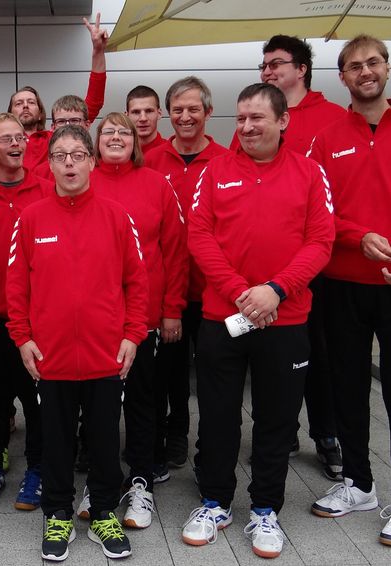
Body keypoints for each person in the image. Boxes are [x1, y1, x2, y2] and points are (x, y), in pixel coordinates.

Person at [183, 83, 333, 559]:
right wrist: (239, 292)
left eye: (257, 118)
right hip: (222, 319)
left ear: (283, 120)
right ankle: (215, 503)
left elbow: (321, 241)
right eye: (241, 118)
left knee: (277, 420)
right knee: (217, 417)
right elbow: (199, 235)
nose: (246, 127)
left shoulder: (310, 173)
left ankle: (266, 509)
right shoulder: (215, 171)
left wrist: (276, 290)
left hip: (285, 320)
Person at [308, 35, 391, 549]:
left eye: (373, 63)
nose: (365, 72)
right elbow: (319, 211)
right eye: (354, 66)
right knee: (347, 387)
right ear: (342, 77)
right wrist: (356, 236)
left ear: (387, 69)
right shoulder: (325, 140)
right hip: (343, 283)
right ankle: (358, 484)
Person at [6, 125, 149, 561]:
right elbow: (16, 286)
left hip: (107, 354)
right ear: (49, 164)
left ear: (91, 161)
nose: (69, 163)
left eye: (77, 155)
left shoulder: (116, 216)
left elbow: (137, 282)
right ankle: (58, 514)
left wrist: (133, 335)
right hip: (51, 356)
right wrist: (23, 338)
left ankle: (103, 511)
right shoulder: (31, 218)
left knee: (105, 439)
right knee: (56, 440)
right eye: (60, 155)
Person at [241, 34, 348, 480]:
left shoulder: (334, 118)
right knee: (271, 358)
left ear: (302, 69)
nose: (268, 70)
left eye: (277, 63)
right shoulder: (253, 121)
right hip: (263, 272)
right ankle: (281, 433)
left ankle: (326, 434)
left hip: (316, 264)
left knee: (319, 354)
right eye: (264, 65)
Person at [82, 112, 187, 530]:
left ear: (136, 141)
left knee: (143, 401)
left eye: (123, 132)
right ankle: (99, 481)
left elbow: (175, 250)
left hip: (143, 316)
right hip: (94, 319)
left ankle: (141, 480)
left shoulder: (157, 184)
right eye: (107, 132)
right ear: (95, 143)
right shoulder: (82, 182)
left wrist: (172, 308)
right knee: (98, 406)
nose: (115, 137)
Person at [145, 77, 229, 475]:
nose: (185, 116)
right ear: (168, 114)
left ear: (208, 112)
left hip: (216, 290)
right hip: (169, 290)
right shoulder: (151, 161)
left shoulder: (227, 161)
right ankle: (173, 431)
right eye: (177, 110)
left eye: (193, 109)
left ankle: (209, 444)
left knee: (213, 371)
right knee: (170, 369)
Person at [0, 113, 48, 512]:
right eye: (6, 139)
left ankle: (38, 468)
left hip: (38, 319)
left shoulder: (47, 191)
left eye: (20, 137)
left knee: (38, 401)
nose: (17, 144)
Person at [0, 14, 108, 169]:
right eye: (18, 103)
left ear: (40, 113)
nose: (25, 105)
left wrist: (98, 51)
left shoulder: (56, 137)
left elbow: (93, 103)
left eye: (31, 102)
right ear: (11, 114)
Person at [32, 95, 94, 181]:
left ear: (87, 125)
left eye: (74, 120)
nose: (68, 126)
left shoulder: (101, 170)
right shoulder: (40, 172)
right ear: (53, 127)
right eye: (61, 121)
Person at [125, 85, 167, 155]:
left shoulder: (173, 153)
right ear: (127, 116)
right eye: (136, 112)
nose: (143, 118)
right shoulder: (117, 154)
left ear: (159, 113)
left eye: (149, 111)